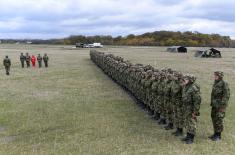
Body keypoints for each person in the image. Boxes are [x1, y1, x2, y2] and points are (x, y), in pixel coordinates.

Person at [209, 71, 230, 141]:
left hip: (220, 106)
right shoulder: (216, 83)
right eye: (215, 75)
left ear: (220, 76)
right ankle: (215, 133)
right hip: (215, 105)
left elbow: (226, 96)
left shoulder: (224, 84)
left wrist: (223, 106)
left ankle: (218, 135)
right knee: (214, 118)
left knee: (219, 119)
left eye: (216, 76)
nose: (215, 77)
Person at [181, 74, 201, 144]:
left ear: (190, 80)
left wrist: (195, 111)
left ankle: (191, 138)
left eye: (186, 79)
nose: (185, 80)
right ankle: (188, 136)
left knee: (192, 123)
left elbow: (197, 101)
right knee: (187, 122)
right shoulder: (186, 87)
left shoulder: (193, 88)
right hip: (186, 108)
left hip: (191, 109)